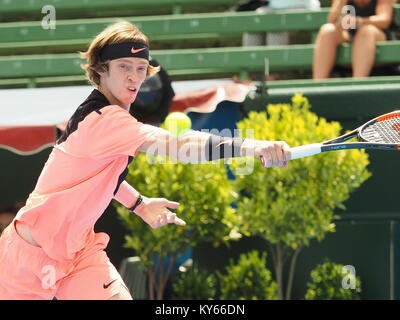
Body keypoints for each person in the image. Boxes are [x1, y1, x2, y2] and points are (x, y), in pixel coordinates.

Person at [0, 21, 290, 300]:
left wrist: (139, 204)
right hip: (30, 258)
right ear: (101, 70)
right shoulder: (104, 120)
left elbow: (104, 178)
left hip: (78, 252)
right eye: (124, 66)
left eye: (141, 68)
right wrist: (252, 146)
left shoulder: (101, 115)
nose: (134, 76)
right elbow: (181, 146)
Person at [313, 0, 398, 79]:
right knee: (327, 30)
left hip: (378, 35)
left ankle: (357, 83)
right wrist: (341, 4)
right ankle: (319, 85)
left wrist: (359, 21)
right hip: (351, 36)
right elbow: (332, 20)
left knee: (366, 32)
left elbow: (384, 21)